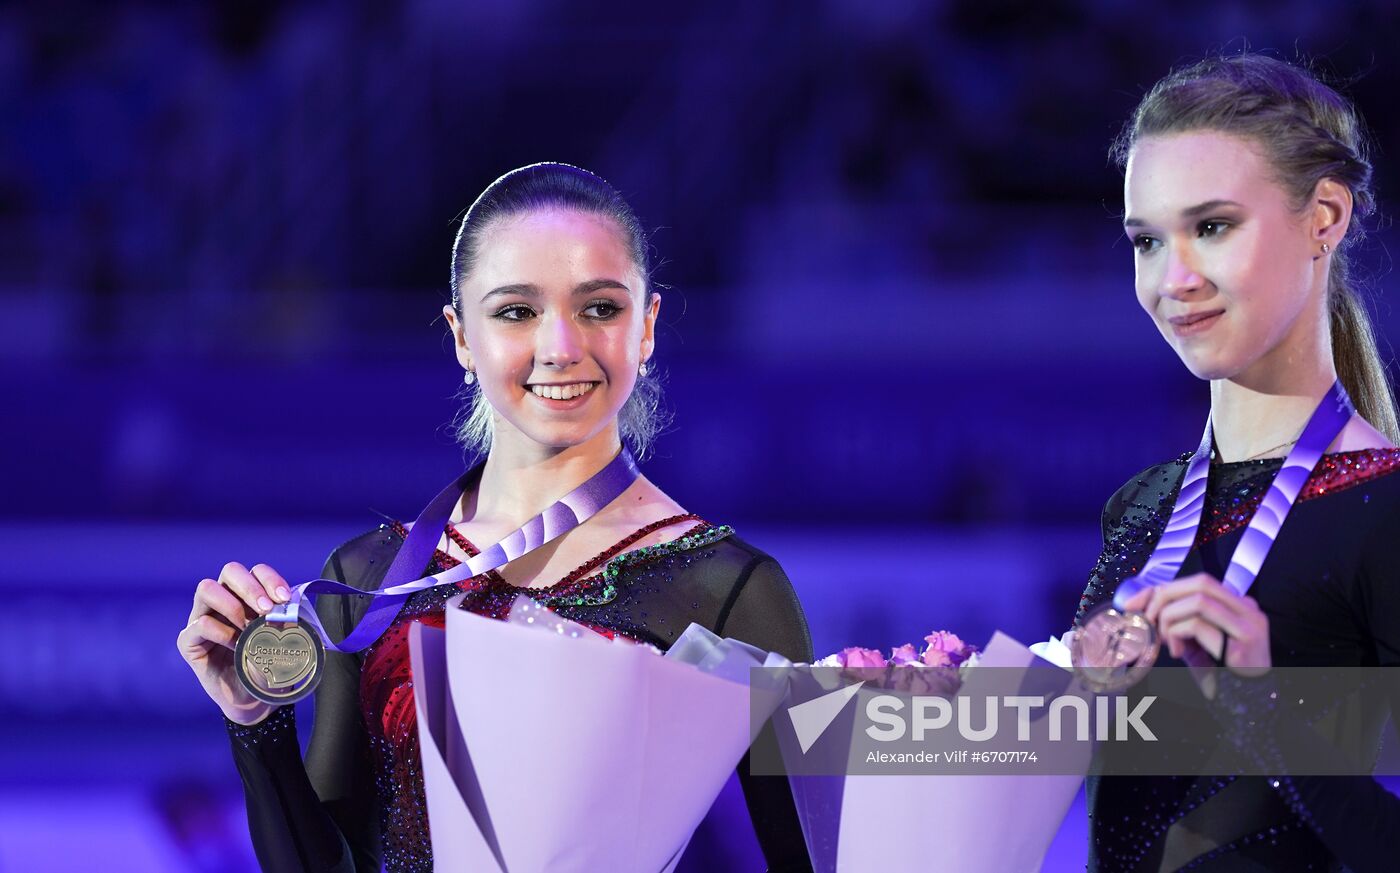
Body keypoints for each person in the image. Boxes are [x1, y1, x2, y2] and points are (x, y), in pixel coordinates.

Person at [176, 162, 814, 873]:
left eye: (600, 308)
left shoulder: (730, 590)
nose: (561, 347)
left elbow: (808, 857)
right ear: (460, 334)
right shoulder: (369, 580)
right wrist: (254, 721)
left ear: (647, 326)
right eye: (517, 311)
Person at [1074, 54, 1400, 872]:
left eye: (1212, 227)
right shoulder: (1141, 509)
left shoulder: (1386, 509)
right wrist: (949, 717)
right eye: (1147, 241)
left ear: (1323, 215)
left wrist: (1264, 708)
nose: (1172, 280)